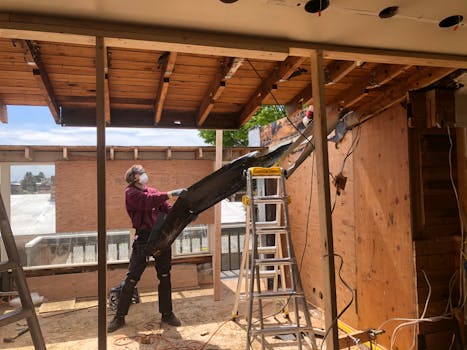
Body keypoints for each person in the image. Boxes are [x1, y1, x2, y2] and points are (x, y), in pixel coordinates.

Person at [108, 164, 186, 333]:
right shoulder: (131, 193)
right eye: (140, 172)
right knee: (131, 278)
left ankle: (167, 314)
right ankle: (119, 318)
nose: (144, 174)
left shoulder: (152, 191)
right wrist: (170, 194)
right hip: (143, 238)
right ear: (133, 177)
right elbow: (146, 203)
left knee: (165, 275)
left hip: (160, 237)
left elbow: (166, 208)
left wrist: (184, 213)